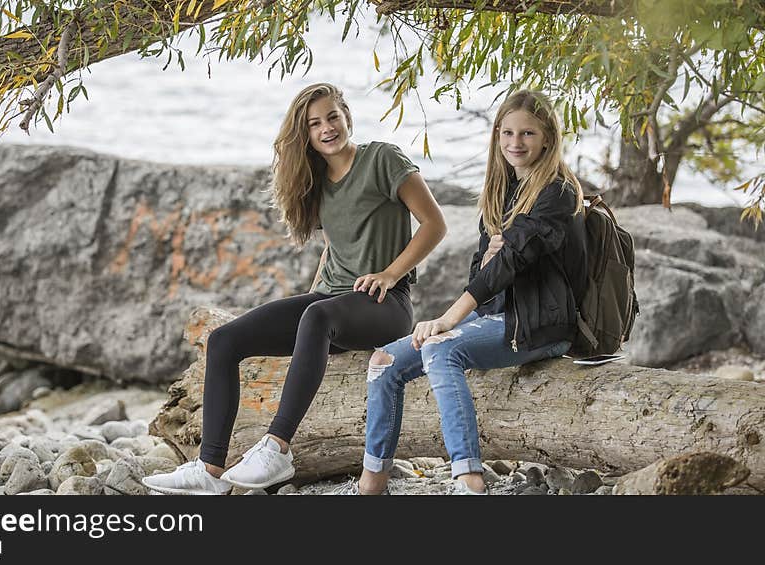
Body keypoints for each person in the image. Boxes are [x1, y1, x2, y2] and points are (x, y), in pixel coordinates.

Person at [143, 83, 447, 494]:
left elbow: (435, 224)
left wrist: (390, 274)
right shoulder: (317, 179)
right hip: (331, 306)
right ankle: (209, 469)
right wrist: (311, 298)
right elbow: (334, 246)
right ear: (304, 134)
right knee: (224, 339)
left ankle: (277, 447)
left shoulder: (383, 159)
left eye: (332, 117)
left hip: (384, 304)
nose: (326, 129)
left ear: (347, 117)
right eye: (314, 124)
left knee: (317, 314)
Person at [345, 89, 587, 495]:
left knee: (441, 348)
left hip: (540, 323)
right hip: (495, 314)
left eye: (527, 133)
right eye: (506, 132)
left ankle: (469, 480)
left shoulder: (558, 192)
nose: (515, 143)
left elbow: (512, 262)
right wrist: (494, 255)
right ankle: (372, 483)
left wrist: (450, 317)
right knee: (384, 360)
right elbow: (483, 269)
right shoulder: (501, 190)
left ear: (547, 137)